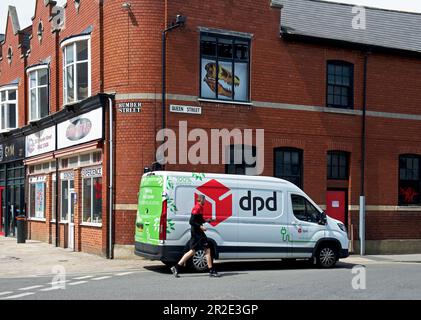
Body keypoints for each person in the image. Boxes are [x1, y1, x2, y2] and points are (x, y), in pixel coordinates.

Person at [171, 194, 220, 278]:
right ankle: (211, 270)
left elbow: (199, 219)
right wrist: (200, 226)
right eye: (204, 200)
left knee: (193, 251)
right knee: (207, 249)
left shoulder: (200, 207)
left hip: (196, 232)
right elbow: (191, 221)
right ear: (201, 200)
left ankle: (176, 267)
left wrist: (208, 220)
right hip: (198, 233)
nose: (205, 201)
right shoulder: (196, 208)